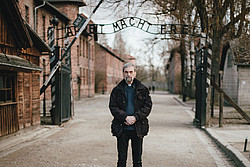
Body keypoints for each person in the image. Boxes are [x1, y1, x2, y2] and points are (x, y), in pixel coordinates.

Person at [109, 63, 152, 167]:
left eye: (131, 72)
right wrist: (125, 117)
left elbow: (147, 106)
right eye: (126, 72)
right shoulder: (117, 90)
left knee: (137, 160)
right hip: (122, 129)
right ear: (123, 73)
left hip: (138, 129)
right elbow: (113, 106)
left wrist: (135, 117)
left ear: (135, 73)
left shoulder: (143, 89)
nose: (129, 74)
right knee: (121, 159)